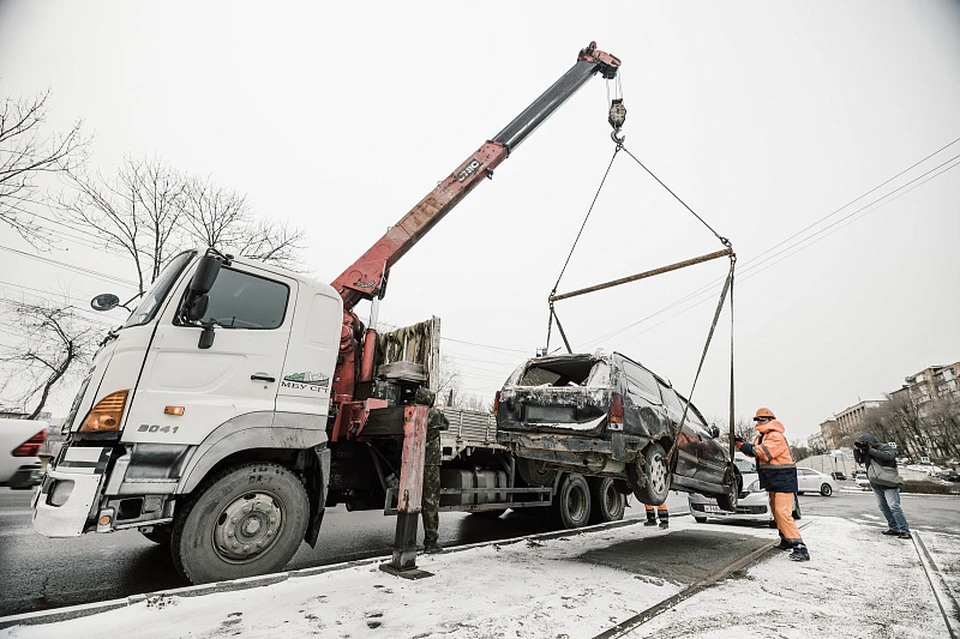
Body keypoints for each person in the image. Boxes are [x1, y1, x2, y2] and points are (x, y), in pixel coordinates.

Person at [736, 407, 810, 561]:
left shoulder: (776, 436)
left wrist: (742, 444)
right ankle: (786, 539)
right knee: (776, 513)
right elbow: (752, 451)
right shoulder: (761, 437)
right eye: (757, 419)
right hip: (772, 478)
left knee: (783, 512)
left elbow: (763, 453)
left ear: (771, 420)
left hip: (783, 477)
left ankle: (800, 547)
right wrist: (740, 443)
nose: (759, 422)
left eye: (763, 419)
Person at [853, 433, 911, 539]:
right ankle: (894, 528)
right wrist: (857, 450)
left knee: (894, 507)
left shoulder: (884, 447)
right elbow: (859, 460)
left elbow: (888, 456)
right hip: (876, 483)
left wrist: (869, 450)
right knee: (883, 507)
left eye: (866, 444)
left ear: (870, 442)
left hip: (889, 483)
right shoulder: (865, 451)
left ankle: (904, 530)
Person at [415, 387, 448, 554]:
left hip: (413, 461)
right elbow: (446, 424)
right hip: (431, 464)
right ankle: (431, 541)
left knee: (412, 501)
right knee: (430, 501)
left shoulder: (412, 412)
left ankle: (407, 539)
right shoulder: (434, 414)